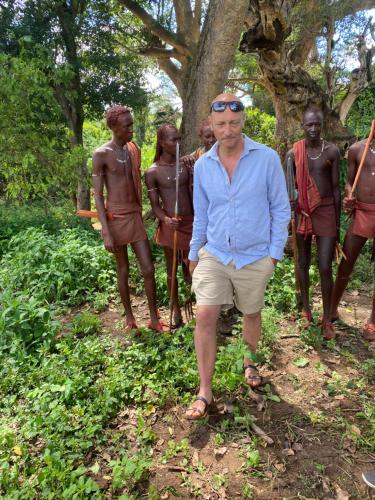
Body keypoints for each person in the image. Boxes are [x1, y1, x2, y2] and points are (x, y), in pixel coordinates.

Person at [184, 93, 290, 420]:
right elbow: (201, 215)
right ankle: (204, 390)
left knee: (251, 313)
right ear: (211, 125)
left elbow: (280, 209)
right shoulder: (203, 165)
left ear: (243, 120)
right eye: (220, 124)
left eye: (233, 123)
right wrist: (193, 251)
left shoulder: (267, 158)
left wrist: (273, 255)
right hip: (214, 253)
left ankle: (250, 362)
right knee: (205, 315)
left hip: (255, 256)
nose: (227, 130)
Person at [92, 105, 166, 333]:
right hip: (114, 218)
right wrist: (105, 230)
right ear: (114, 127)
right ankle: (130, 318)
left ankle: (154, 319)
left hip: (134, 215)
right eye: (127, 126)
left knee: (148, 268)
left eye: (132, 124)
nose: (132, 130)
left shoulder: (132, 150)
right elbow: (97, 194)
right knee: (122, 269)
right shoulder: (101, 154)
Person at [286, 107, 341, 339]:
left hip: (327, 210)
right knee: (303, 263)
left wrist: (337, 225)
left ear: (322, 125)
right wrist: (292, 211)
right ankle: (306, 309)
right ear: (303, 126)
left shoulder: (331, 151)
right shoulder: (293, 154)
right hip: (303, 213)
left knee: (325, 266)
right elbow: (289, 189)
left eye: (317, 124)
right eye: (309, 125)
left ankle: (327, 318)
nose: (313, 129)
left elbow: (336, 188)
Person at [145, 124, 194, 328]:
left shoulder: (185, 165)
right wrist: (165, 219)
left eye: (179, 139)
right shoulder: (152, 172)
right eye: (173, 140)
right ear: (161, 142)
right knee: (171, 269)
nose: (177, 143)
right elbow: (155, 205)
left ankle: (200, 306)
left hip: (191, 223)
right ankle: (175, 309)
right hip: (170, 225)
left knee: (195, 267)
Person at [331, 136, 375, 340]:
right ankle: (331, 309)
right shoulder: (357, 149)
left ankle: (373, 321)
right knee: (346, 262)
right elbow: (349, 182)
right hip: (362, 213)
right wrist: (350, 195)